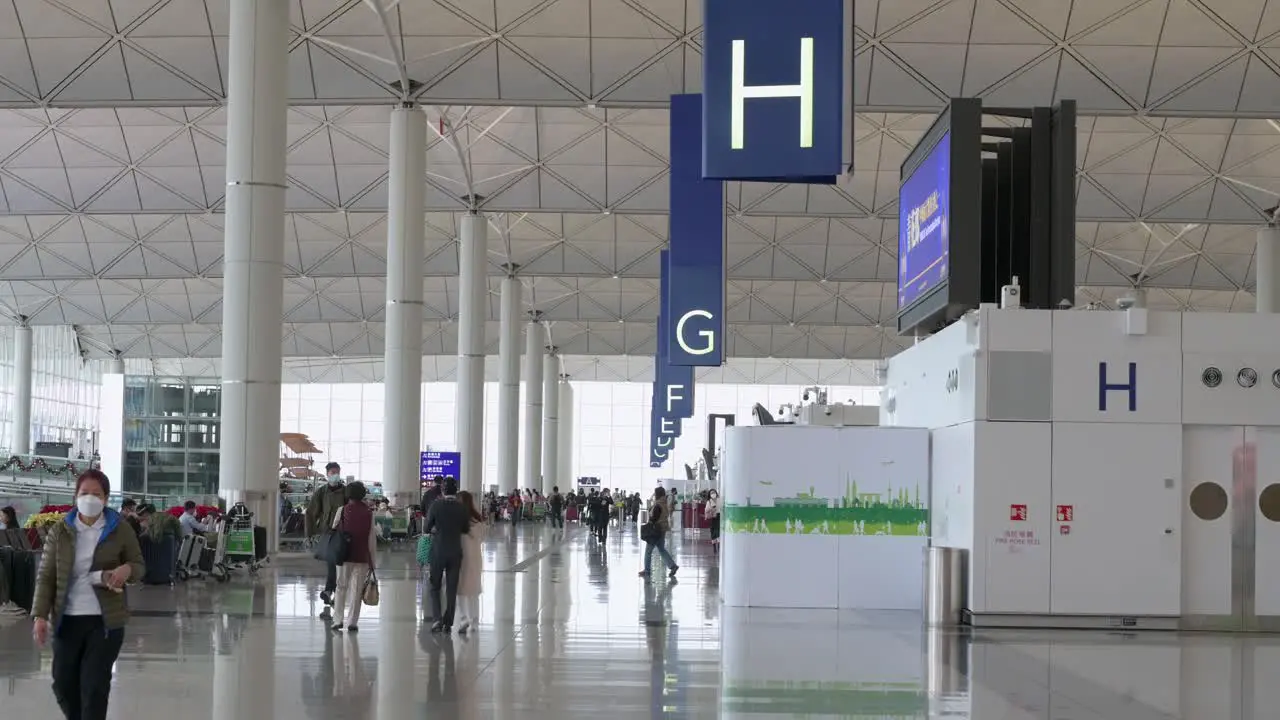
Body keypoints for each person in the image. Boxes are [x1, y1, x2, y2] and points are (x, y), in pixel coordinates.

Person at [31, 469, 144, 720]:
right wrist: (39, 615)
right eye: (84, 493)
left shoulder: (120, 529)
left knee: (94, 687)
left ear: (105, 498)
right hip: (67, 619)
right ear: (75, 496)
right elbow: (46, 576)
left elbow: (139, 566)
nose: (90, 498)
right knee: (63, 683)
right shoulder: (59, 531)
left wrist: (127, 569)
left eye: (96, 494)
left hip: (105, 622)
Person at [424, 478, 470, 634]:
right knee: (452, 587)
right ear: (456, 491)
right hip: (455, 551)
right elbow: (465, 528)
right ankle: (448, 621)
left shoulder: (436, 505)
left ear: (442, 490)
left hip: (438, 551)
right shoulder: (462, 508)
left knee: (434, 586)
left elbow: (426, 528)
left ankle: (437, 619)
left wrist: (437, 529)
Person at [330, 482, 377, 633]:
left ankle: (338, 620)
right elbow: (371, 539)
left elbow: (334, 529)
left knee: (341, 587)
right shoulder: (369, 513)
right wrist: (372, 561)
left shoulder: (342, 510)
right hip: (362, 555)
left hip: (344, 554)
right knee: (357, 590)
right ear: (363, 494)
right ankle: (352, 622)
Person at [306, 462, 348, 611]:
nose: (335, 475)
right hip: (327, 532)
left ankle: (330, 591)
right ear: (327, 474)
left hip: (342, 533)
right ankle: (330, 591)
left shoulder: (345, 491)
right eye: (332, 472)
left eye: (337, 471)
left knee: (337, 563)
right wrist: (310, 533)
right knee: (333, 562)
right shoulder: (321, 492)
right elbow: (311, 513)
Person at [455, 490, 485, 635]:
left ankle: (463, 618)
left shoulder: (459, 520)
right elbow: (481, 537)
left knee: (460, 589)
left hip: (462, 557)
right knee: (473, 590)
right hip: (475, 557)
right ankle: (474, 621)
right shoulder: (477, 519)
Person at [639, 487, 679, 579]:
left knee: (648, 551)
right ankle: (673, 566)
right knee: (661, 549)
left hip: (655, 531)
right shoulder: (664, 503)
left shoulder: (657, 505)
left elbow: (654, 518)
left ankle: (647, 571)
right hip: (662, 530)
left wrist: (650, 519)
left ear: (657, 494)